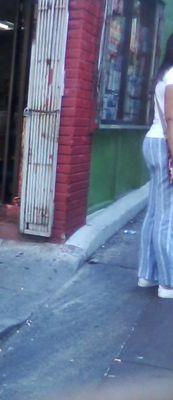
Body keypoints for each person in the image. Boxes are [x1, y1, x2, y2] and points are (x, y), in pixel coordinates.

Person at [138, 34, 173, 298]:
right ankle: (167, 283)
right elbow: (172, 120)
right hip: (164, 145)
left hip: (152, 141)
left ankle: (147, 275)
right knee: (166, 216)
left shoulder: (163, 75)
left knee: (153, 213)